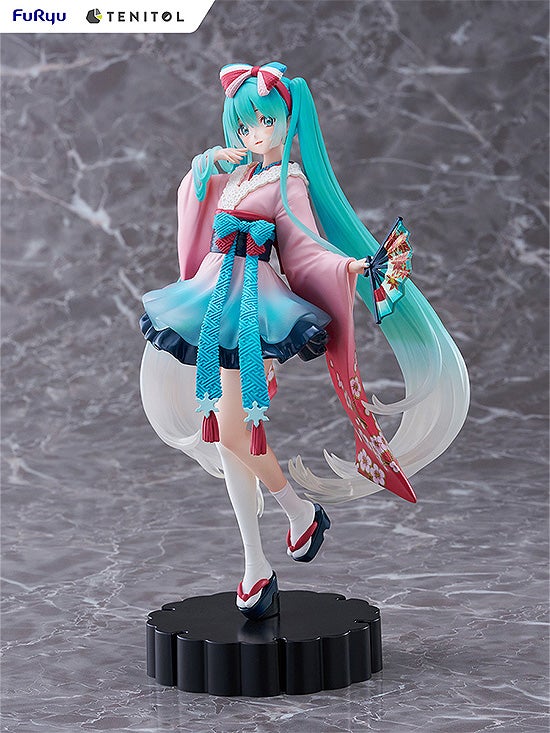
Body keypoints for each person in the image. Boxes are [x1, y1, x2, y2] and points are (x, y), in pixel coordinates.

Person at [139, 62, 470, 621]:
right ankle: (257, 561)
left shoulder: (287, 182)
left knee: (233, 431)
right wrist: (203, 168)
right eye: (245, 126)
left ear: (287, 121)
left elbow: (306, 248)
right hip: (213, 302)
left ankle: (297, 511)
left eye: (265, 123)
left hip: (251, 309)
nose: (255, 134)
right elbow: (195, 213)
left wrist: (352, 268)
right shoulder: (237, 175)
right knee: (227, 438)